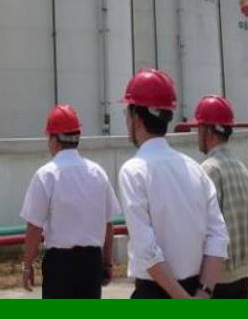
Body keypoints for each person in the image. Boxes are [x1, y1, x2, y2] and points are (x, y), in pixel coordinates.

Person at [118, 69, 229, 299]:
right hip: (197, 290)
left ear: (136, 118)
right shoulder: (196, 169)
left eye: (126, 113)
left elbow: (146, 249)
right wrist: (203, 293)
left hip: (155, 293)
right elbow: (218, 237)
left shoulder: (134, 171)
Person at [20, 104, 121, 299]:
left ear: (54, 140)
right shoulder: (98, 173)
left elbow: (34, 227)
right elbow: (108, 224)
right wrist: (107, 263)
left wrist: (27, 266)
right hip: (91, 264)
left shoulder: (46, 175)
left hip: (60, 265)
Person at [194, 95, 248, 299]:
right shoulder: (242, 168)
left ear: (208, 132)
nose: (196, 135)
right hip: (243, 277)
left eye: (199, 129)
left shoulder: (209, 170)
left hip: (217, 281)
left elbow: (201, 229)